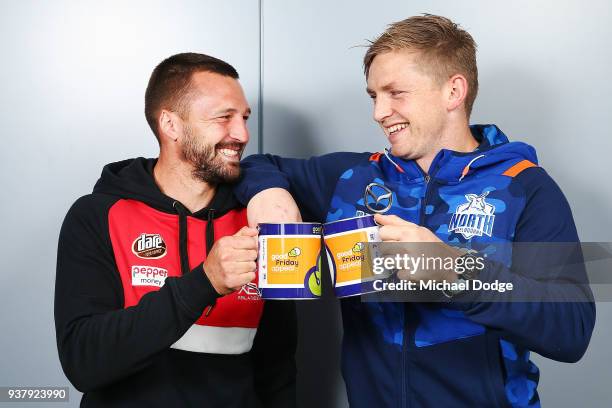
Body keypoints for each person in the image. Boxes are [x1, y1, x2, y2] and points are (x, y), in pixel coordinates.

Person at [234, 15, 595, 408]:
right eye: (374, 95)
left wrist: (455, 272)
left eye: (395, 93)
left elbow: (572, 331)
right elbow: (254, 165)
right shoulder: (353, 177)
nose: (379, 112)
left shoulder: (525, 186)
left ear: (453, 91)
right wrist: (267, 193)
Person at [55, 53, 296, 407]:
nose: (242, 134)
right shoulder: (97, 215)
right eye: (223, 118)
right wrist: (205, 282)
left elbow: (277, 369)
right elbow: (84, 363)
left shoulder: (257, 220)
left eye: (244, 118)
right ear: (171, 125)